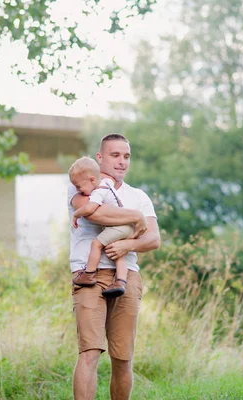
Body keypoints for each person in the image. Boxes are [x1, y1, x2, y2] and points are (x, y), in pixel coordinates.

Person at [68, 134, 161, 400]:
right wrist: (134, 217)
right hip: (89, 274)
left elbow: (154, 239)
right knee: (90, 351)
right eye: (115, 155)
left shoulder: (138, 196)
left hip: (127, 276)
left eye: (126, 156)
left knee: (122, 357)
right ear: (100, 158)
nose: (121, 162)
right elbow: (95, 213)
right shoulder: (82, 182)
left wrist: (126, 246)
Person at [68, 156, 133, 298]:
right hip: (125, 227)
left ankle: (89, 274)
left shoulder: (98, 192)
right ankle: (121, 282)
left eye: (79, 187)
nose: (78, 190)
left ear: (92, 180)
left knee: (96, 244)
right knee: (117, 254)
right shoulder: (107, 184)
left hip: (118, 227)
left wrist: (76, 214)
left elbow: (89, 208)